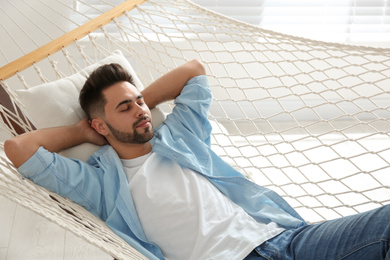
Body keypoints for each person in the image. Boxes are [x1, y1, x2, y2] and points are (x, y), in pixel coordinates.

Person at [4, 60, 389, 260]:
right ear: (99, 124)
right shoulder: (101, 183)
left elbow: (194, 71)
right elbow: (18, 151)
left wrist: (140, 103)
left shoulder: (180, 136)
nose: (140, 110)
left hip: (285, 240)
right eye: (126, 107)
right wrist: (82, 133)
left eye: (139, 100)